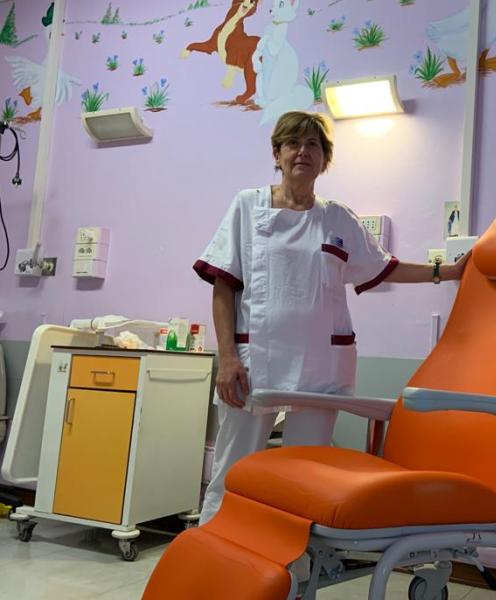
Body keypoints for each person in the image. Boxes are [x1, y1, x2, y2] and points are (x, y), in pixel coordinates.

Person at [193, 111, 469, 524]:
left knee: (304, 475)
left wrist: (445, 272)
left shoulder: (337, 218)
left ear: (324, 159)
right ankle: (216, 543)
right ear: (277, 153)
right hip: (253, 364)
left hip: (321, 368)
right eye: (293, 143)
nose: (303, 152)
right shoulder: (247, 206)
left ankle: (292, 554)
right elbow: (223, 285)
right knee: (233, 470)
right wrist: (228, 358)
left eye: (314, 145)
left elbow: (384, 266)